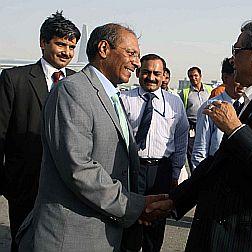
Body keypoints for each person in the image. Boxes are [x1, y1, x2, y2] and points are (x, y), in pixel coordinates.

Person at [148, 19, 252, 251]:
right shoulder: (251, 100)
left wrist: (236, 130)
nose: (231, 59)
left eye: (236, 51)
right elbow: (220, 163)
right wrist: (175, 200)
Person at [17, 23, 167, 252]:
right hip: (73, 238)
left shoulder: (112, 96)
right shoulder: (72, 91)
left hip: (103, 233)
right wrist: (133, 206)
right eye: (131, 53)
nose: (137, 62)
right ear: (104, 49)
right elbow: (79, 168)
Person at [0, 11, 80, 252]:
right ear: (43, 42)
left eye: (71, 46)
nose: (66, 52)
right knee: (23, 242)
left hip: (66, 186)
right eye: (61, 44)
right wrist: (6, 181)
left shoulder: (78, 83)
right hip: (24, 184)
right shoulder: (14, 79)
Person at [121, 54, 188, 252]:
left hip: (161, 171)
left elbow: (181, 139)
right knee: (130, 222)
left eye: (156, 73)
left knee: (155, 227)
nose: (151, 77)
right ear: (138, 73)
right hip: (133, 169)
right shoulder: (124, 99)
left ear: (164, 76)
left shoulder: (174, 103)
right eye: (146, 72)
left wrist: (175, 174)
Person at [191, 57, 244, 168]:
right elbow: (200, 150)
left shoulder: (250, 105)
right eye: (238, 77)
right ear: (225, 78)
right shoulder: (211, 107)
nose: (242, 83)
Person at [179, 67, 212, 172]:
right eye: (191, 76)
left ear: (200, 76)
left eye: (195, 76)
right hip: (192, 127)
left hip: (207, 125)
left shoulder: (209, 90)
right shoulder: (185, 93)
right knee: (193, 152)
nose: (193, 78)